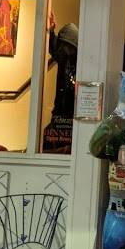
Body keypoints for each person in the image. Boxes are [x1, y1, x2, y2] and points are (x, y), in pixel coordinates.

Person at [43, 13, 78, 154]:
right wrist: (51, 31)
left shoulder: (81, 61)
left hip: (72, 111)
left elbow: (55, 48)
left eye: (68, 47)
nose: (66, 50)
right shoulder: (64, 57)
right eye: (64, 46)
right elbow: (54, 47)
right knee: (53, 138)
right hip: (60, 110)